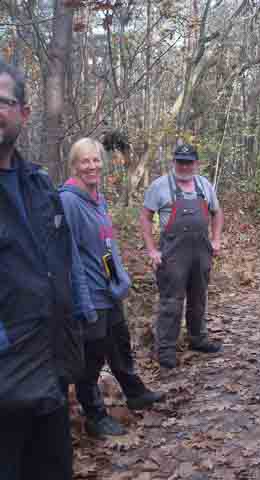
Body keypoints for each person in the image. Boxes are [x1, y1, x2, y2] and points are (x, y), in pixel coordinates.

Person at [0, 60, 92, 479]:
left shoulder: (40, 188)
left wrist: (69, 359)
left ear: (24, 112)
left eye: (2, 101)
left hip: (49, 380)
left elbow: (62, 268)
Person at [59, 138, 165, 438]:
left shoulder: (98, 198)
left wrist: (122, 278)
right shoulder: (68, 201)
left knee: (119, 346)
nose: (92, 166)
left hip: (110, 291)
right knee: (91, 360)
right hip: (90, 296)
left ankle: (135, 393)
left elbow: (108, 245)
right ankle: (94, 415)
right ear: (74, 165)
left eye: (96, 160)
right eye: (85, 161)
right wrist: (83, 302)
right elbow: (69, 256)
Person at [140, 143, 224, 369]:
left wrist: (216, 240)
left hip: (201, 252)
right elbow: (145, 217)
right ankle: (165, 349)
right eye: (180, 162)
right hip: (173, 253)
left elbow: (217, 213)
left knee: (199, 298)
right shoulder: (159, 186)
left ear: (196, 163)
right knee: (171, 302)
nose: (184, 166)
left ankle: (198, 339)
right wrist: (152, 250)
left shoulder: (204, 185)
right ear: (174, 162)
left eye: (189, 162)